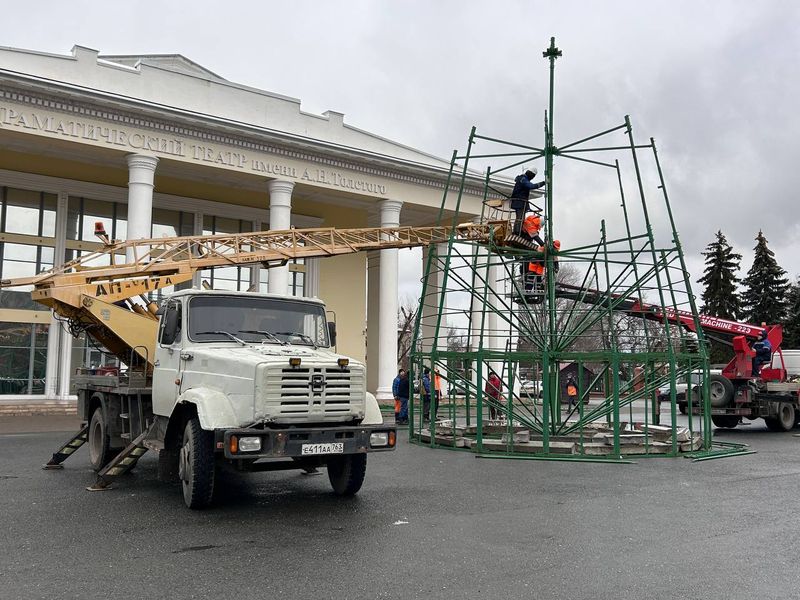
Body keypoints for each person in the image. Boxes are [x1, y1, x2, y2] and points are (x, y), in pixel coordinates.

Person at [509, 168, 546, 234]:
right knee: (520, 218)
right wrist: (543, 183)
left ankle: (518, 231)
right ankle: (517, 232)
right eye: (533, 176)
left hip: (520, 202)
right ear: (530, 174)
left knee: (521, 218)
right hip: (519, 202)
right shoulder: (523, 179)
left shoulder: (522, 179)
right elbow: (531, 186)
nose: (533, 177)